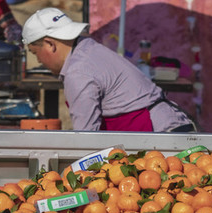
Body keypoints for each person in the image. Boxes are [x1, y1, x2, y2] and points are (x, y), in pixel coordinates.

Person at [22, 8, 196, 132]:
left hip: (162, 136)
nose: (38, 60)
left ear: (50, 44)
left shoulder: (78, 71)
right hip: (169, 124)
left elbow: (85, 138)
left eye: (35, 53)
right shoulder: (87, 48)